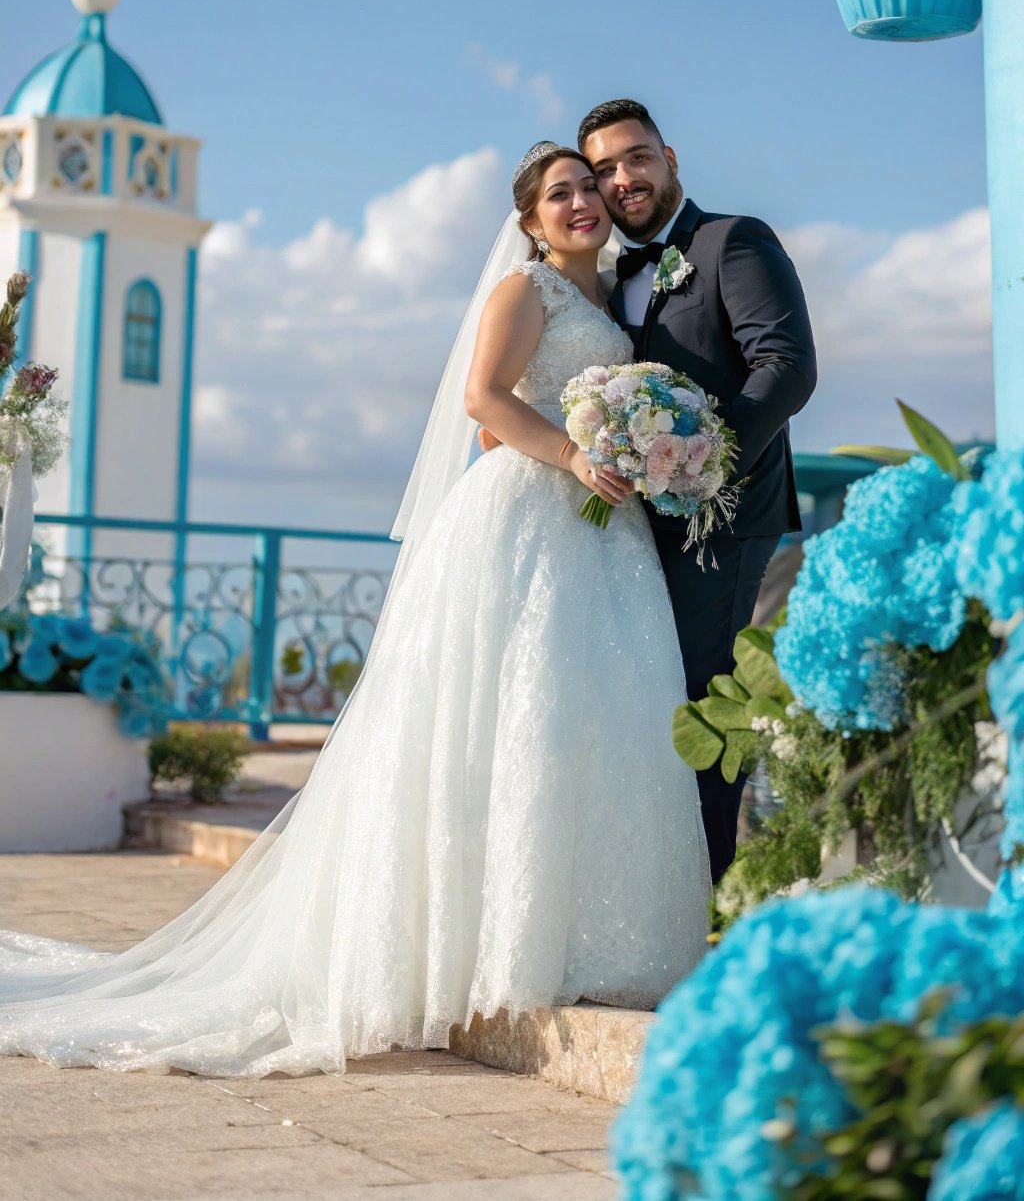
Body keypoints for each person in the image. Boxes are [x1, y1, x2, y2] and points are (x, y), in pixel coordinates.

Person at [0, 141, 709, 1078]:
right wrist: (578, 454)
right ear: (530, 221)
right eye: (559, 194)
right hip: (528, 515)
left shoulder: (612, 300)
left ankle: (576, 940)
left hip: (598, 534)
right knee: (510, 720)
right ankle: (478, 952)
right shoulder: (526, 290)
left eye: (589, 188)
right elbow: (482, 398)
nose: (582, 202)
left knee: (581, 724)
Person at [579, 99, 817, 883]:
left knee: (702, 708)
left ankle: (706, 900)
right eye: (605, 169)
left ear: (670, 158)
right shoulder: (607, 279)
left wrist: (706, 468)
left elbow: (786, 367)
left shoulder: (731, 241)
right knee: (644, 703)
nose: (623, 178)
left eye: (636, 157)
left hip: (726, 518)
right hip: (636, 527)